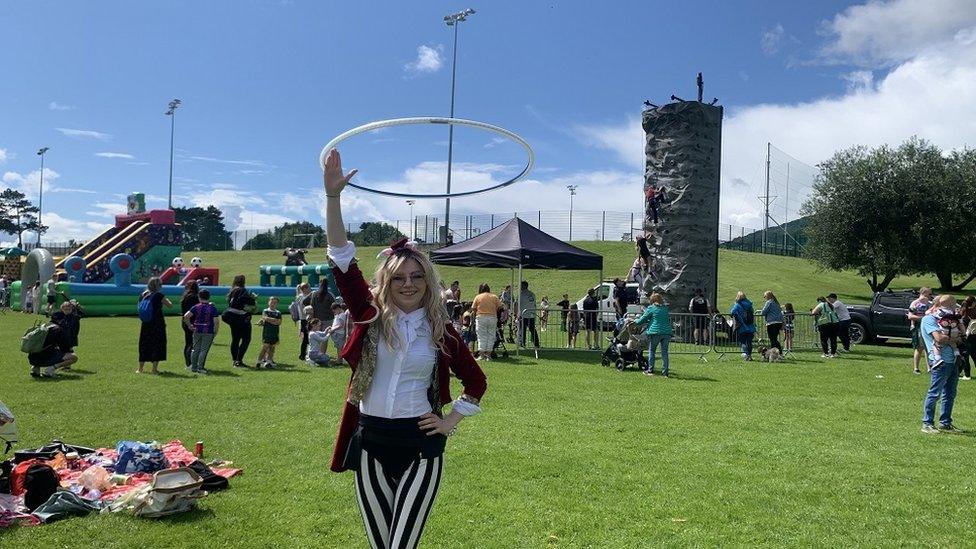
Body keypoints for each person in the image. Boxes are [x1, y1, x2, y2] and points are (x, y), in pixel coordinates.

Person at [323, 147, 487, 549]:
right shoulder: (368, 312)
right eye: (399, 278)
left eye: (416, 276)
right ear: (387, 281)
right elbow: (343, 258)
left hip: (421, 445)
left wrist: (450, 421)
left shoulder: (442, 331)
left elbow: (476, 381)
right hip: (370, 442)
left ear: (428, 281)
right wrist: (332, 198)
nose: (408, 284)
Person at [920, 295, 963, 434]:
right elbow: (939, 338)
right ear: (938, 305)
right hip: (940, 362)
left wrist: (952, 338)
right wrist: (953, 338)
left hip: (953, 361)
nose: (951, 309)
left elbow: (961, 338)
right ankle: (927, 423)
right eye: (950, 306)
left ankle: (945, 423)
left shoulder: (948, 320)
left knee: (950, 394)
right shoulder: (929, 319)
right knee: (935, 393)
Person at [137, 277, 172, 374]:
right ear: (158, 286)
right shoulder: (159, 295)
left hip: (146, 323)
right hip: (157, 323)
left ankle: (140, 369)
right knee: (157, 344)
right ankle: (154, 369)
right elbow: (170, 305)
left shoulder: (143, 294)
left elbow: (139, 306)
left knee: (144, 344)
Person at [634, 292, 672, 377]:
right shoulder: (665, 308)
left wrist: (635, 321)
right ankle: (665, 372)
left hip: (655, 332)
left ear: (652, 300)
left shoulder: (651, 308)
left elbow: (642, 320)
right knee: (664, 352)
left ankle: (650, 370)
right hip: (666, 332)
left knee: (652, 351)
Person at [223, 275, 256, 368]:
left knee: (235, 339)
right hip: (241, 317)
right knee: (246, 339)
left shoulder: (232, 291)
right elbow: (244, 300)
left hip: (231, 317)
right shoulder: (243, 290)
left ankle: (234, 360)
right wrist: (252, 299)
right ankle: (239, 359)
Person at [184, 289, 219, 374]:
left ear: (199, 297)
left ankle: (193, 367)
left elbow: (186, 316)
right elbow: (216, 321)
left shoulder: (196, 307)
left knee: (195, 349)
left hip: (197, 330)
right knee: (204, 350)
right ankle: (200, 367)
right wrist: (215, 331)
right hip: (208, 331)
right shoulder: (212, 308)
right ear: (209, 297)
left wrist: (190, 326)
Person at [471, 283, 501, 361]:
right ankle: (488, 355)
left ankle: (481, 354)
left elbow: (473, 309)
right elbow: (499, 307)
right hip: (492, 317)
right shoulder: (494, 297)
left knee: (481, 336)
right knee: (491, 336)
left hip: (481, 317)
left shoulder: (478, 297)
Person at [908, 288, 933, 375]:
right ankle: (916, 368)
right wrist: (923, 319)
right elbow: (910, 316)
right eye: (929, 294)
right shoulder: (915, 303)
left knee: (928, 348)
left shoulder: (930, 304)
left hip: (928, 328)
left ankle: (929, 368)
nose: (931, 296)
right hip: (918, 327)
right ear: (924, 293)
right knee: (919, 348)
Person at [258, 296, 283, 369]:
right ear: (268, 302)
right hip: (267, 332)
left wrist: (269, 320)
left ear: (277, 304)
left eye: (275, 303)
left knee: (272, 347)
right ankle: (259, 361)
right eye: (271, 302)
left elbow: (279, 322)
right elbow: (264, 317)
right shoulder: (266, 310)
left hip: (275, 333)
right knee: (265, 347)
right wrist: (274, 320)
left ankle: (269, 362)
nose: (273, 304)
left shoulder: (278, 312)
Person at [179, 281, 200, 368]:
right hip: (192, 322)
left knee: (188, 343)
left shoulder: (185, 296)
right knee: (193, 344)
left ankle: (188, 363)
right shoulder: (194, 297)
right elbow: (196, 311)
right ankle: (191, 363)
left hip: (185, 321)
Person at [730, 291, 756, 361]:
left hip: (742, 326)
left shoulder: (737, 305)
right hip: (750, 326)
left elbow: (732, 312)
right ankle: (750, 355)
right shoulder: (749, 304)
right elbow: (752, 312)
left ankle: (747, 355)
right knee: (749, 342)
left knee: (743, 342)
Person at [295, 282, 316, 361]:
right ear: (304, 289)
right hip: (304, 319)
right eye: (307, 288)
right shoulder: (301, 297)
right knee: (306, 338)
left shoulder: (304, 296)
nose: (309, 289)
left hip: (308, 319)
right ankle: (303, 355)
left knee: (308, 337)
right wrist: (310, 296)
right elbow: (304, 306)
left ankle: (306, 354)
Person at [518, 281, 540, 348]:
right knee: (532, 330)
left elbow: (516, 304)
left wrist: (516, 314)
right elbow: (534, 304)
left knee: (522, 330)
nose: (520, 287)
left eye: (521, 285)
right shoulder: (532, 294)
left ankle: (522, 343)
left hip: (524, 315)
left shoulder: (521, 294)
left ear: (524, 286)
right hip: (531, 315)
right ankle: (536, 344)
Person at [959, 296, 975, 381]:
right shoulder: (974, 311)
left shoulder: (962, 312)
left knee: (965, 356)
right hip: (974, 336)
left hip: (964, 336)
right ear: (973, 303)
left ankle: (967, 374)